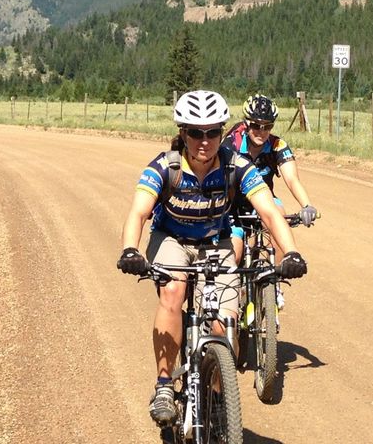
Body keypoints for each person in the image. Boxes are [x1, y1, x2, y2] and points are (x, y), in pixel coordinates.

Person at [117, 90, 308, 425]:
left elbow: (269, 212)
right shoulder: (164, 167)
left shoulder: (237, 166)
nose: (204, 141)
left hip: (215, 242)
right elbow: (138, 212)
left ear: (222, 133)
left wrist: (291, 252)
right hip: (171, 239)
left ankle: (219, 396)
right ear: (182, 133)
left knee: (223, 325)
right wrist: (130, 249)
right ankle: (164, 384)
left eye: (212, 132)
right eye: (195, 132)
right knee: (174, 292)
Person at [222, 94, 317, 308]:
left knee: (279, 218)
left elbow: (292, 178)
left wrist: (306, 205)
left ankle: (274, 284)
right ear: (247, 123)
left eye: (267, 126)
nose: (261, 132)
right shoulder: (231, 143)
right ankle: (230, 297)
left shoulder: (276, 145)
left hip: (264, 201)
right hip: (234, 205)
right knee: (234, 254)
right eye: (256, 125)